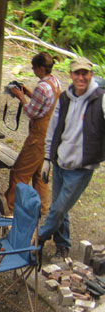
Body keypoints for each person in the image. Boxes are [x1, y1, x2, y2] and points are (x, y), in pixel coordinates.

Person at [39, 57, 105, 261]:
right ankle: (62, 246)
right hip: (60, 162)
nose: (81, 77)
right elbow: (53, 129)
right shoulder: (65, 97)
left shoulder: (100, 98)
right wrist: (48, 159)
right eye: (77, 73)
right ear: (71, 75)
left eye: (85, 73)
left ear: (91, 75)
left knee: (58, 209)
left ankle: (37, 240)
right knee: (60, 207)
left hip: (81, 167)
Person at [5, 52, 62, 214]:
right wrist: (30, 94)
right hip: (51, 135)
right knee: (39, 174)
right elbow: (45, 105)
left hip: (38, 137)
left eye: (34, 67)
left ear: (40, 68)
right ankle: (41, 210)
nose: (32, 70)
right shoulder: (55, 82)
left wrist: (21, 96)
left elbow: (31, 112)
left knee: (19, 173)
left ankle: (10, 211)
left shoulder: (42, 87)